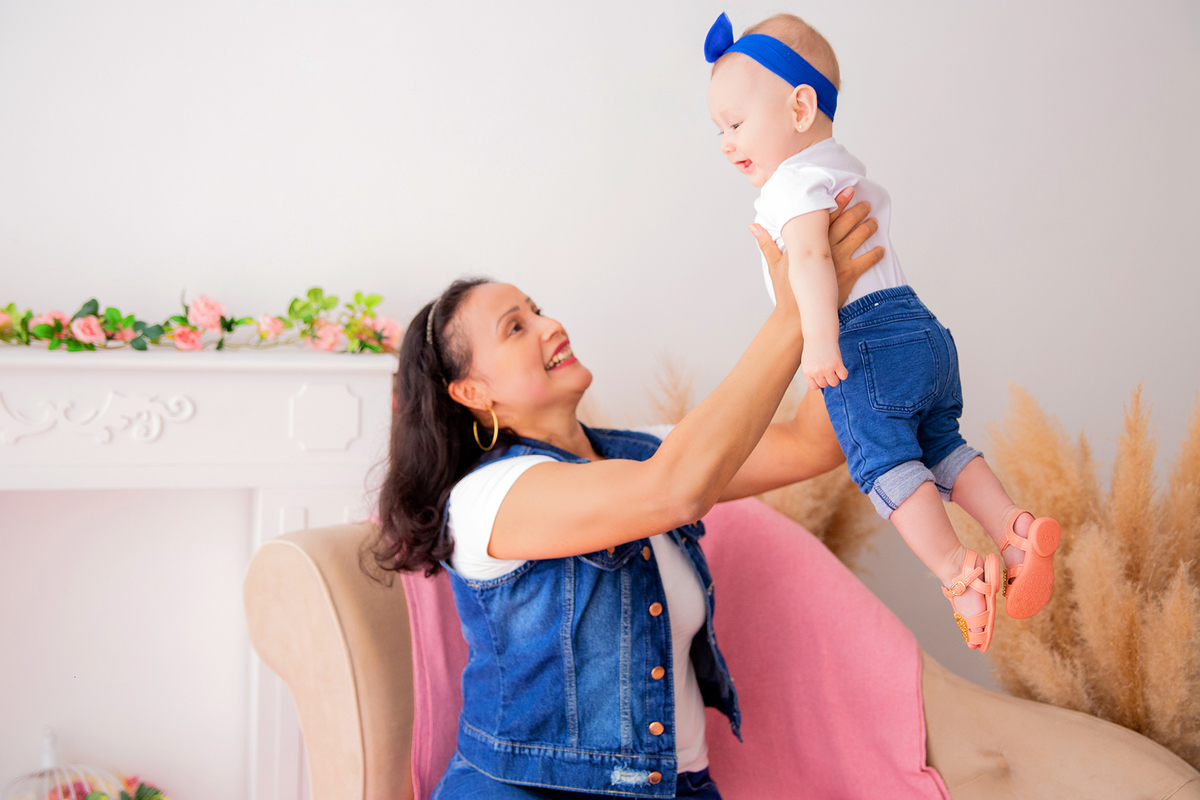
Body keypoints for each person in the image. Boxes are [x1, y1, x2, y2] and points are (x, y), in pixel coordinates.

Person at [372, 192, 881, 798]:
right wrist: (791, 317)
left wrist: (829, 302)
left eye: (537, 311)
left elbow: (809, 445)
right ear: (473, 392)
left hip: (677, 786)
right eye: (516, 327)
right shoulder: (490, 497)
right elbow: (676, 491)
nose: (550, 326)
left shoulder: (640, 452)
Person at [704, 12, 1060, 651]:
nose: (726, 143)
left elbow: (812, 257)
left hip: (860, 339)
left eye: (735, 123)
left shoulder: (790, 184)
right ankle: (1012, 528)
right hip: (919, 328)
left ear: (800, 106)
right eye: (718, 131)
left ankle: (958, 570)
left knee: (889, 467)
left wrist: (817, 338)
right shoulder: (841, 165)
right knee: (942, 444)